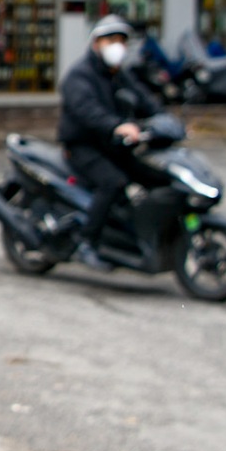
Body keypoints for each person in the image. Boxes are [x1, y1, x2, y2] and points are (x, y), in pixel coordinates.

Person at [57, 14, 167, 272]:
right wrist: (116, 126)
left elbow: (145, 100)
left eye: (121, 41)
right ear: (96, 43)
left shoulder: (119, 74)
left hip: (113, 145)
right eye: (111, 40)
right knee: (113, 182)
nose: (117, 46)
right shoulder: (79, 76)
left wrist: (165, 120)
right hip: (83, 146)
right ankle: (87, 242)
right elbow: (88, 111)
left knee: (154, 175)